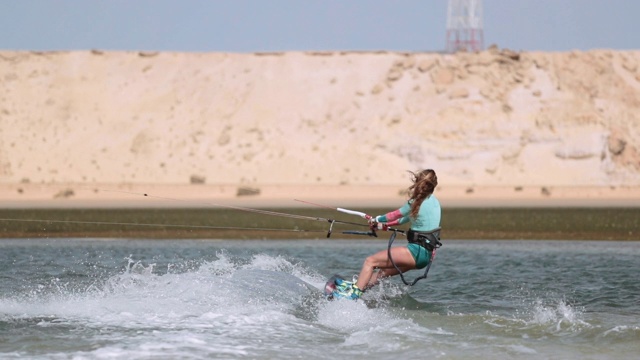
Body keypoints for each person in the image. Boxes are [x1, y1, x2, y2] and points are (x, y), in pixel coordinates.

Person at [332, 169, 441, 300]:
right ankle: (357, 287)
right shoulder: (435, 202)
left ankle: (352, 296)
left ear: (418, 183)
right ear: (433, 185)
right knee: (382, 273)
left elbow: (397, 214)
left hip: (415, 253)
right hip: (426, 257)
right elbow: (405, 219)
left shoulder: (415, 202)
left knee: (370, 261)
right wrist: (385, 226)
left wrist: (376, 219)